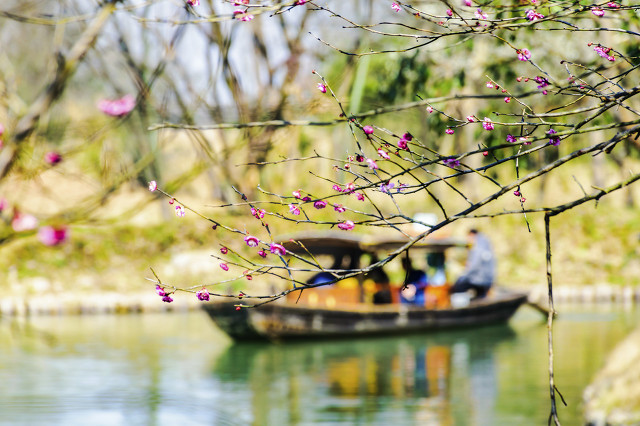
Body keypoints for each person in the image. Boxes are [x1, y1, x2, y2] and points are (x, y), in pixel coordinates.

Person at [449, 229, 495, 299]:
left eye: (468, 237)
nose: (468, 240)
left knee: (458, 286)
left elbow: (474, 267)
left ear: (472, 235)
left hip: (479, 280)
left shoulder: (478, 247)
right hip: (487, 280)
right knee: (480, 297)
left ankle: (460, 307)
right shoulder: (485, 245)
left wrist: (463, 277)